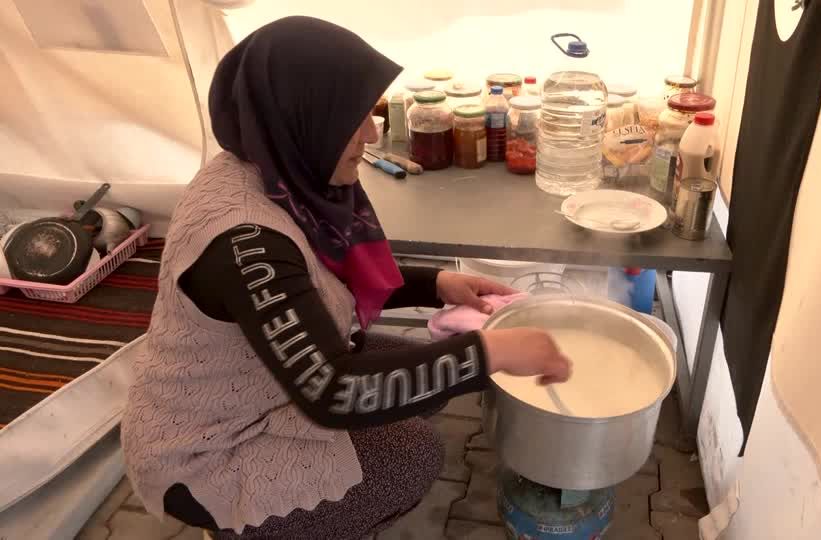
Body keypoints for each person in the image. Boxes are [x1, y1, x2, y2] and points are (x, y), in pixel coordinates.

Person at [121, 16, 571, 540]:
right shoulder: (245, 241)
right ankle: (250, 526)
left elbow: (319, 280)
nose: (373, 134)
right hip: (206, 448)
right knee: (412, 454)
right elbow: (333, 390)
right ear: (303, 114)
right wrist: (491, 354)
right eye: (353, 119)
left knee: (421, 382)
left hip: (263, 386)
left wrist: (437, 284)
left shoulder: (275, 168)